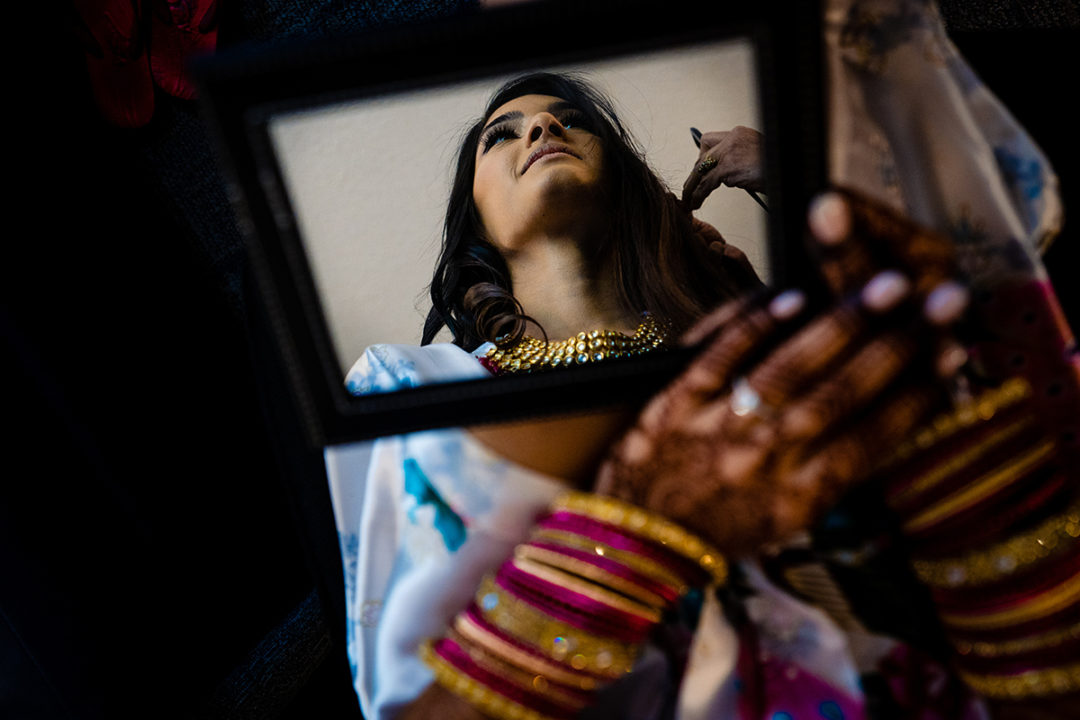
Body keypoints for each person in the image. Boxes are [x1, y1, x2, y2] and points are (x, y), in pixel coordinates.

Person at [325, 66, 993, 720]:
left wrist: (801, 177)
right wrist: (641, 537)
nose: (545, 126)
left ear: (626, 184)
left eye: (572, 120)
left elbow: (971, 453)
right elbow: (410, 698)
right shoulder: (413, 388)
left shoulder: (755, 354)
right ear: (476, 224)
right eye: (502, 135)